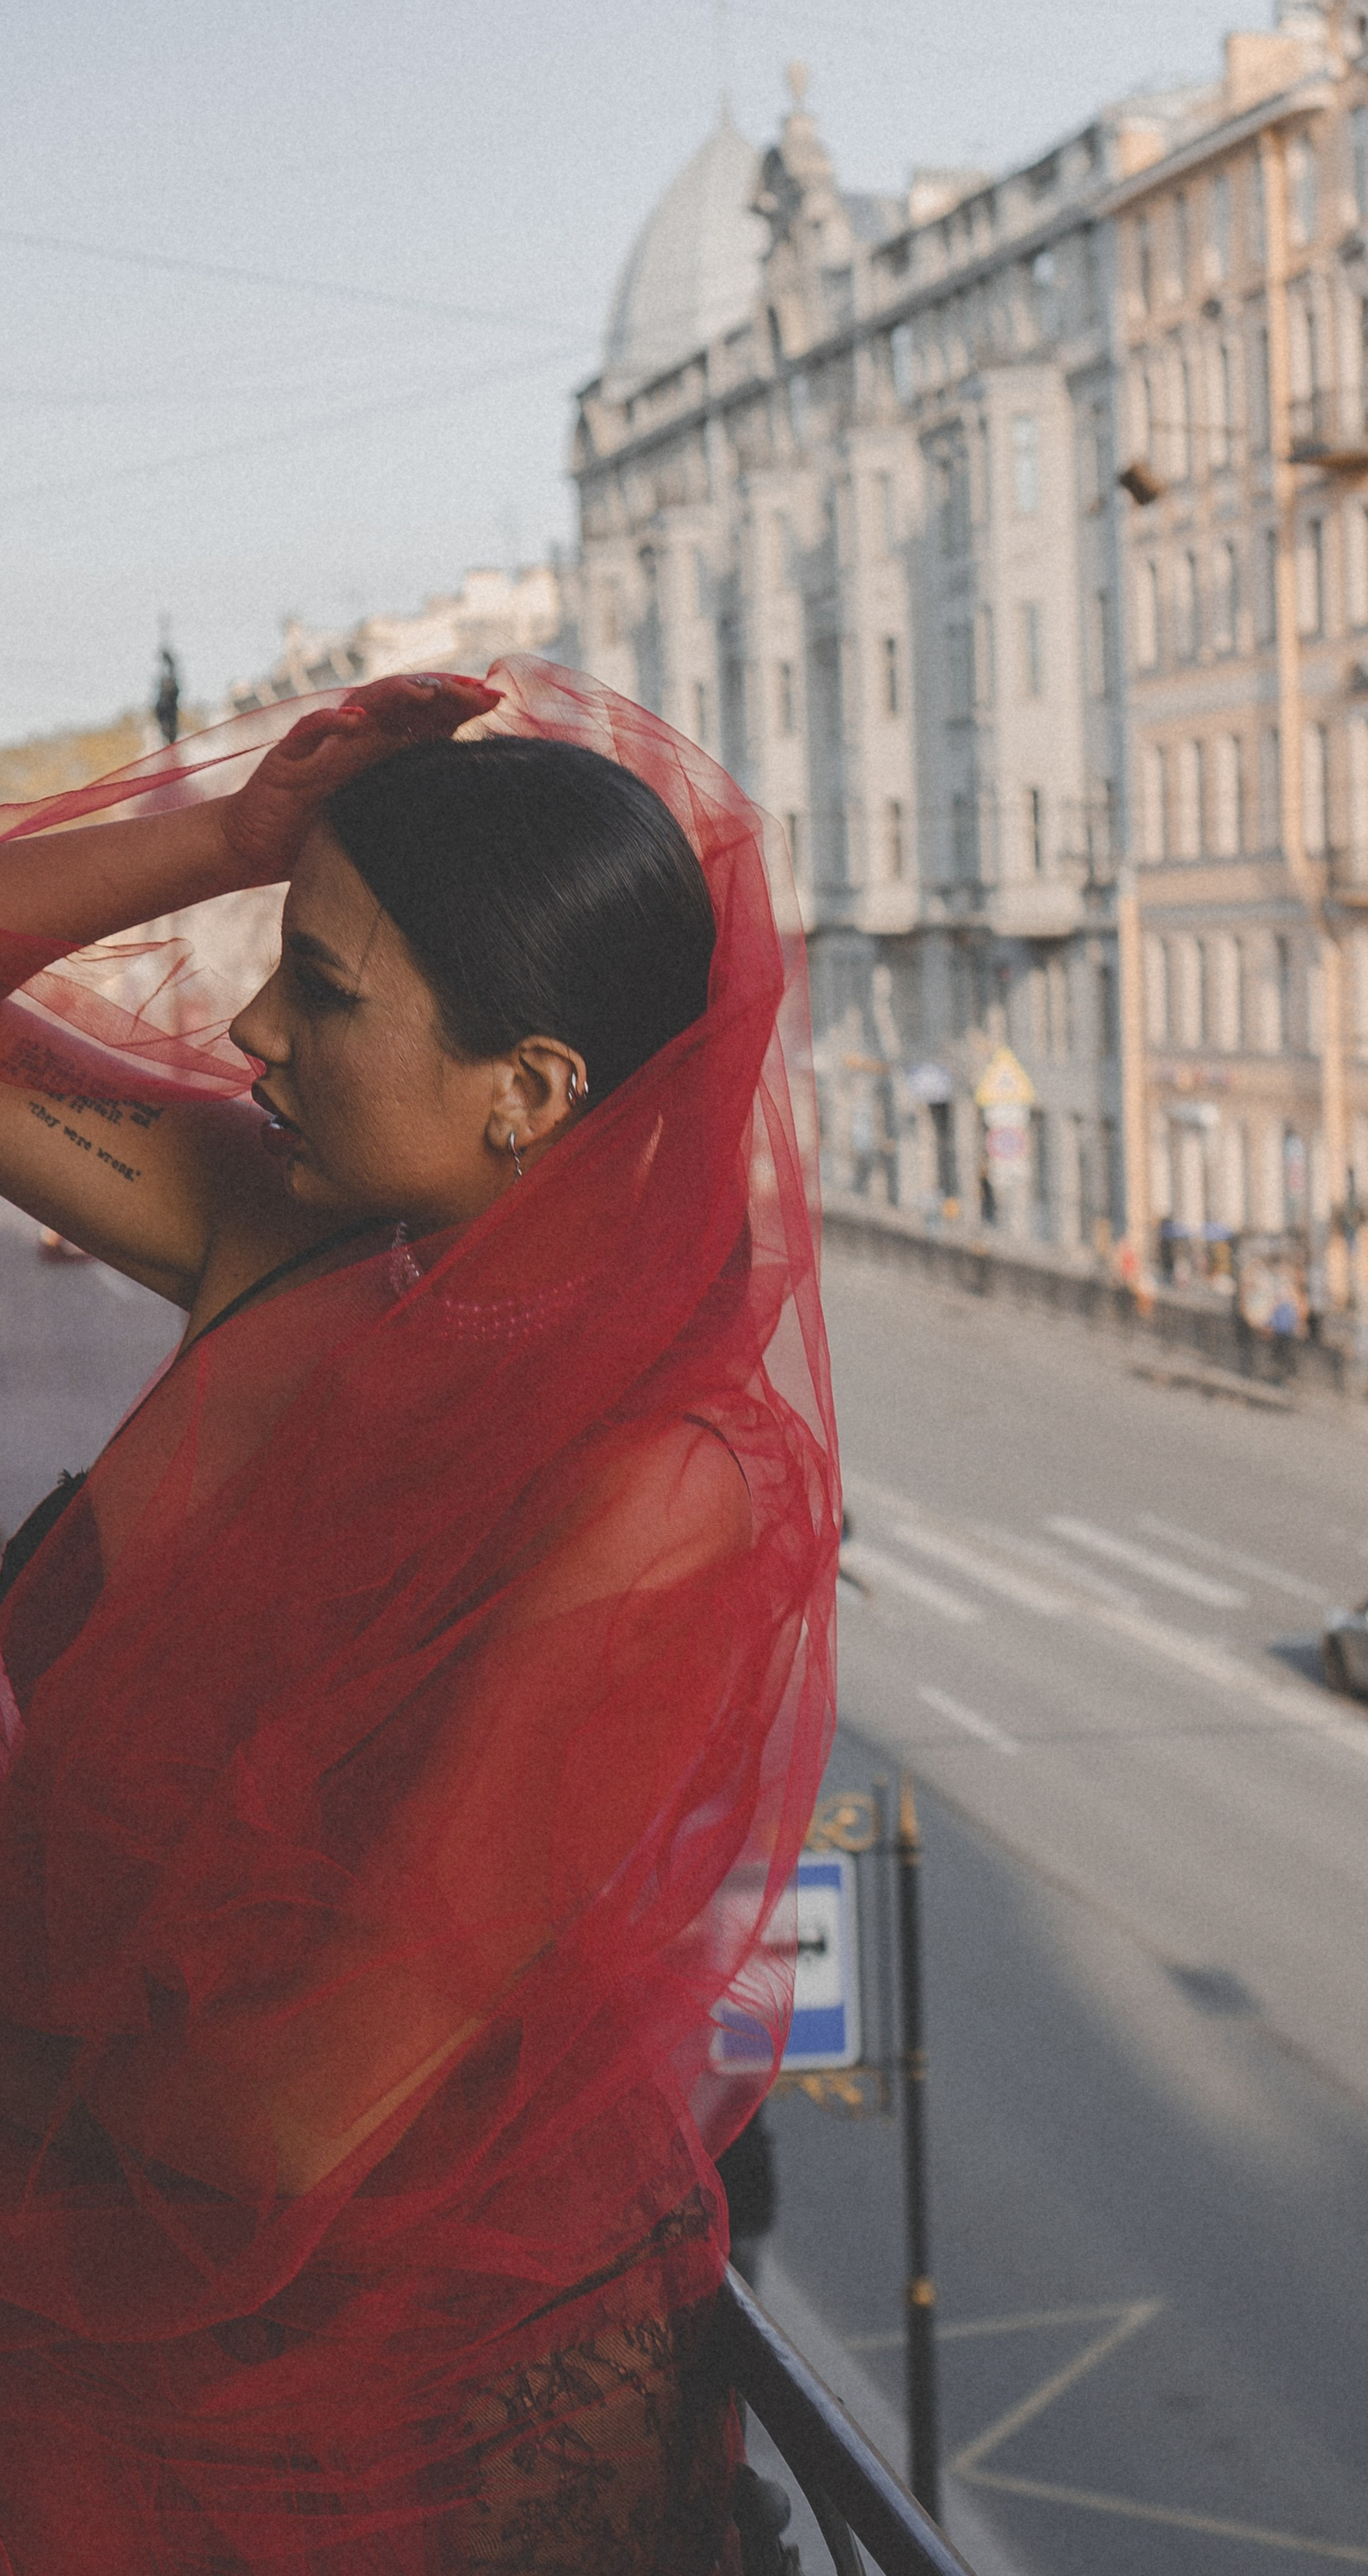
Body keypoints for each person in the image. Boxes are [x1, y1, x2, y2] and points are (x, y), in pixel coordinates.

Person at [0, 659, 838, 2573]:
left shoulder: (663, 1486)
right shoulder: (281, 1239)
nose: (247, 1022)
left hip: (384, 2433)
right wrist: (226, 837)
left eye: (323, 988)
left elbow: (299, 2109)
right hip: (90, 2296)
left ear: (532, 1093)